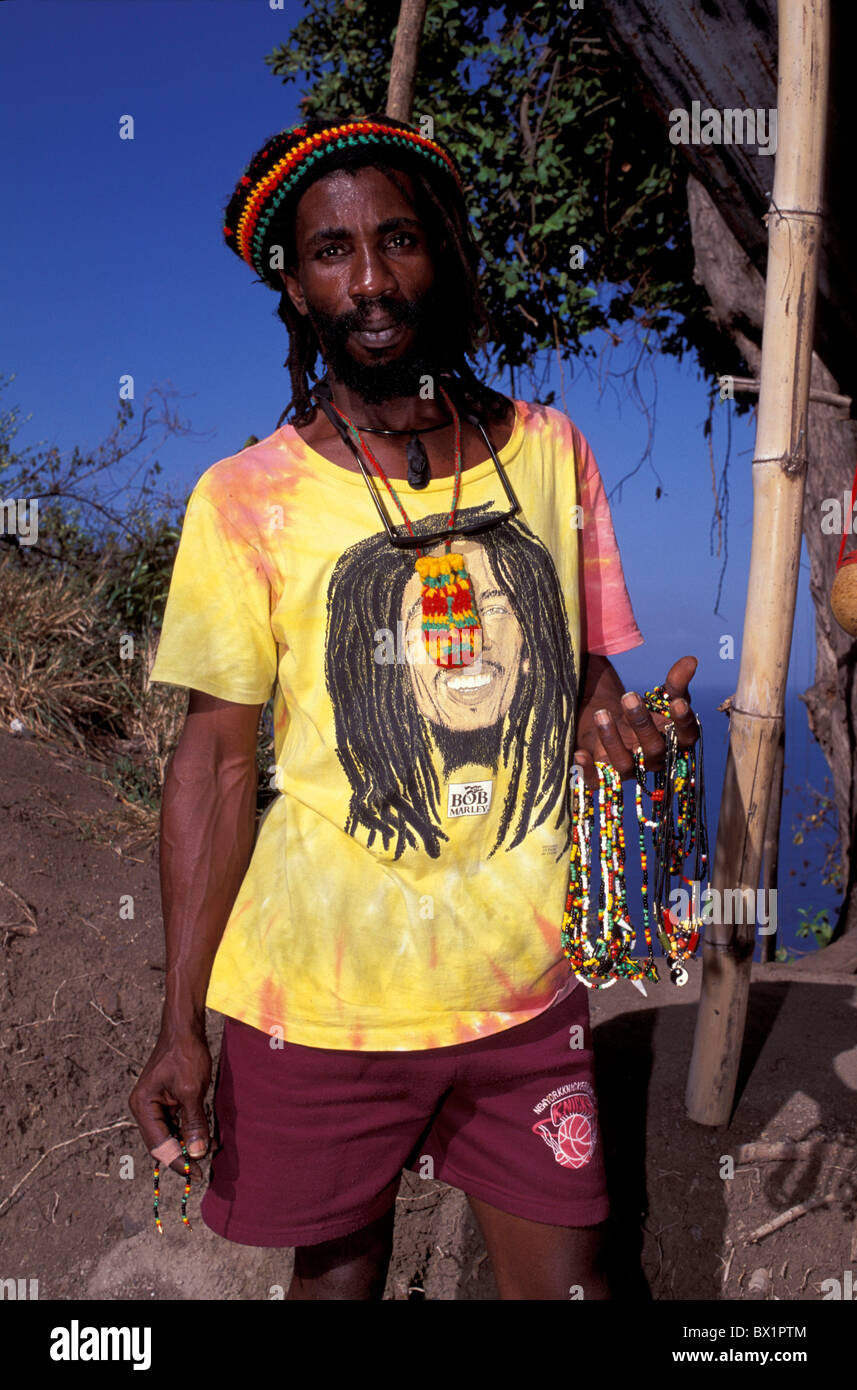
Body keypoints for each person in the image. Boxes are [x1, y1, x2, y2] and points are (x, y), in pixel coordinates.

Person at [129, 115, 700, 1300]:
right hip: (320, 1000)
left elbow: (587, 667)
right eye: (331, 251)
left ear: (439, 252)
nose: (371, 278)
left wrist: (622, 719)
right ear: (291, 286)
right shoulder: (243, 501)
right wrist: (182, 1023)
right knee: (335, 1283)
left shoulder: (548, 453)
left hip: (526, 983)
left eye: (396, 239)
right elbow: (218, 765)